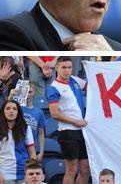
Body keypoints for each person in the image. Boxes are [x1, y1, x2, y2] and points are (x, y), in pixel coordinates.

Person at [46, 56, 89, 184]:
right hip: (68, 131)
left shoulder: (75, 80)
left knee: (86, 169)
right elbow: (54, 114)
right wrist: (75, 121)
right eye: (64, 67)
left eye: (69, 67)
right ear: (57, 68)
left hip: (82, 130)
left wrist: (91, 67)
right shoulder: (53, 88)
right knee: (71, 170)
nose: (67, 70)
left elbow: (92, 85)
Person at [0, 100, 36, 183]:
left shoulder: (26, 128)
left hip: (23, 172)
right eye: (8, 108)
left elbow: (32, 154)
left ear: (18, 112)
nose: (11, 111)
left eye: (14, 109)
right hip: (5, 173)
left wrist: (31, 172)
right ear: (3, 112)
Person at [8, 83, 46, 162]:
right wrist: (11, 96)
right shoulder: (17, 109)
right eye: (25, 92)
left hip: (31, 147)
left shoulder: (39, 113)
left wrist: (42, 152)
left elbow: (41, 134)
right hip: (18, 146)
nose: (27, 95)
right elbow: (6, 111)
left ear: (34, 93)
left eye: (30, 92)